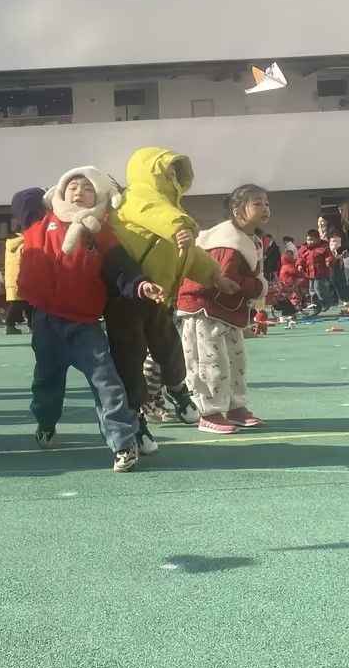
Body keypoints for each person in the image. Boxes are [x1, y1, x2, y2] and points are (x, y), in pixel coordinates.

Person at [17, 167, 166, 473]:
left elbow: (122, 269)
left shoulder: (100, 233)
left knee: (107, 384)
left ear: (99, 197)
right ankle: (46, 423)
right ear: (59, 193)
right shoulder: (39, 223)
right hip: (46, 323)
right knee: (46, 383)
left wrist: (141, 285)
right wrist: (50, 198)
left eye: (88, 188)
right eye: (72, 186)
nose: (79, 191)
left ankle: (123, 444)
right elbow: (23, 197)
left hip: (84, 326)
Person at [107, 147, 221, 437]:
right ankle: (136, 417)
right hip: (128, 297)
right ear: (150, 172)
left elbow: (186, 253)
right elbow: (155, 213)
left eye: (175, 172)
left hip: (158, 297)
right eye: (166, 170)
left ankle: (176, 388)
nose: (172, 177)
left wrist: (214, 274)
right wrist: (181, 226)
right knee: (131, 357)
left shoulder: (173, 212)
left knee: (169, 347)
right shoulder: (135, 197)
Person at [177, 185, 270, 435]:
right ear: (238, 213)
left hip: (226, 312)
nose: (265, 208)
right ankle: (209, 412)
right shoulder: (227, 243)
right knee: (210, 362)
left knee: (236, 360)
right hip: (204, 310)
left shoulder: (250, 239)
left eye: (266, 203)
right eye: (257, 203)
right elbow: (227, 280)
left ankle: (235, 406)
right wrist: (259, 287)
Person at [4, 188, 44, 334]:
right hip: (21, 279)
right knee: (20, 305)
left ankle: (29, 325)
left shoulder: (11, 242)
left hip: (13, 280)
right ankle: (10, 325)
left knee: (25, 304)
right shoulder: (25, 241)